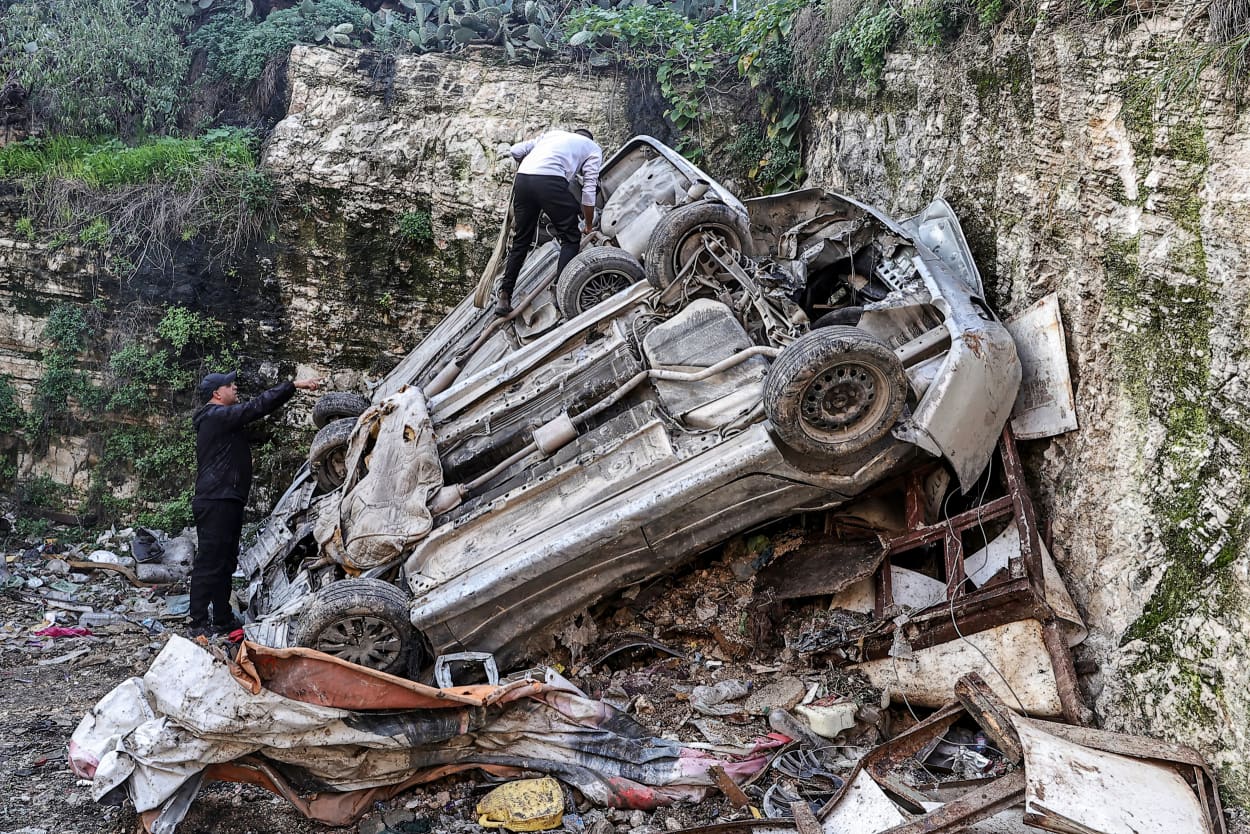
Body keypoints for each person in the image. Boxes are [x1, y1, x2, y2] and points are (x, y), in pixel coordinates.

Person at [189, 370, 321, 637]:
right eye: (230, 385)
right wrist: (292, 385)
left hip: (227, 500)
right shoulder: (215, 417)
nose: (235, 387)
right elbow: (257, 407)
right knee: (209, 562)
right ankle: (198, 622)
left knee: (225, 562)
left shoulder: (224, 422)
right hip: (216, 500)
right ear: (217, 393)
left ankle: (223, 617)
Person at [496, 127, 603, 316]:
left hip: (524, 180)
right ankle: (559, 293)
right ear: (589, 139)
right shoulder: (593, 148)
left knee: (521, 241)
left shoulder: (553, 135)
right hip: (550, 183)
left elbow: (515, 150)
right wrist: (587, 225)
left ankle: (504, 296)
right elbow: (588, 192)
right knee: (570, 239)